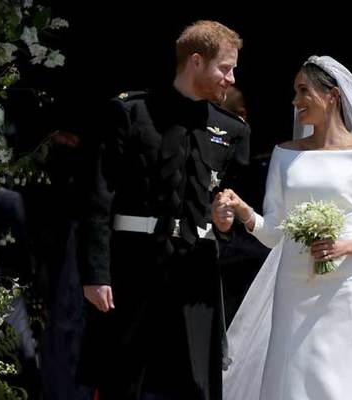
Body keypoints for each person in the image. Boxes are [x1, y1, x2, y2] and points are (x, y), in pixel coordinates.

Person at [212, 56, 352, 400]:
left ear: (332, 95)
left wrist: (346, 246)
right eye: (294, 92)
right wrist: (245, 212)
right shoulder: (284, 154)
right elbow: (274, 233)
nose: (295, 101)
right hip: (294, 283)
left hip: (348, 283)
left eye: (303, 91)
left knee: (350, 374)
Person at [76, 20, 250, 400]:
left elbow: (233, 209)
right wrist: (95, 273)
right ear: (196, 61)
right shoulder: (131, 113)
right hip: (133, 266)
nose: (231, 78)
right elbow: (98, 196)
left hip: (196, 271)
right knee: (123, 381)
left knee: (198, 385)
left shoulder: (232, 130)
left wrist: (225, 224)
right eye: (225, 67)